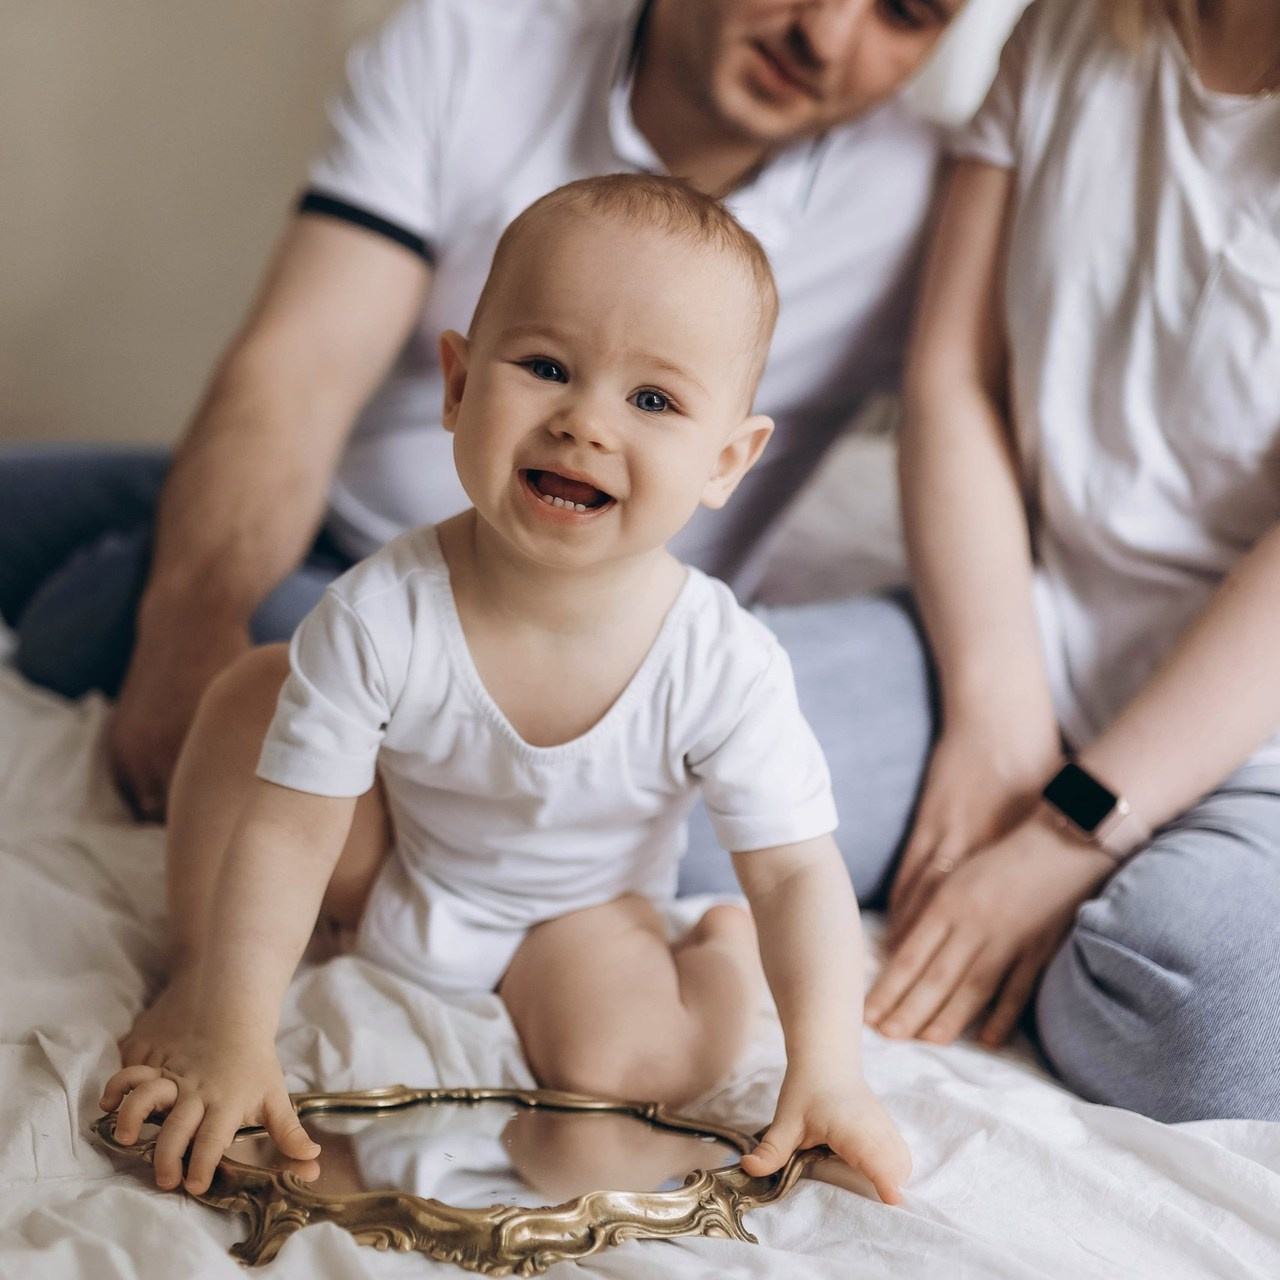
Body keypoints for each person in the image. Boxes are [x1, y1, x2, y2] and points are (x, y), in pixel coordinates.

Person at [98, 175, 912, 1203]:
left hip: (581, 912)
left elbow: (794, 872)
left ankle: (718, 958)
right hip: (401, 863)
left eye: (652, 400)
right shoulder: (382, 609)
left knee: (628, 1064)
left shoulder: (719, 657)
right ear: (458, 386)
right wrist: (233, 1022)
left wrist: (827, 1068)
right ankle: (195, 969)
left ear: (726, 460)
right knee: (258, 692)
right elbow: (293, 829)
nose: (585, 422)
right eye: (545, 367)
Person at [0, 0, 960, 825]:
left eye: (905, 12)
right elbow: (301, 366)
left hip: (513, 614)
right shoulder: (474, 39)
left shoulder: (922, 213)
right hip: (328, 503)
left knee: (173, 626)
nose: (826, 36)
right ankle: (165, 569)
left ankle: (129, 584)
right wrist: (188, 627)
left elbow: (991, 435)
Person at [699, 0, 1280, 1122]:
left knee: (1198, 1024)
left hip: (1253, 729)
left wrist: (1068, 829)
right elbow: (951, 376)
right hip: (1015, 632)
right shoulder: (1067, 28)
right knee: (641, 764)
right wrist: (995, 717)